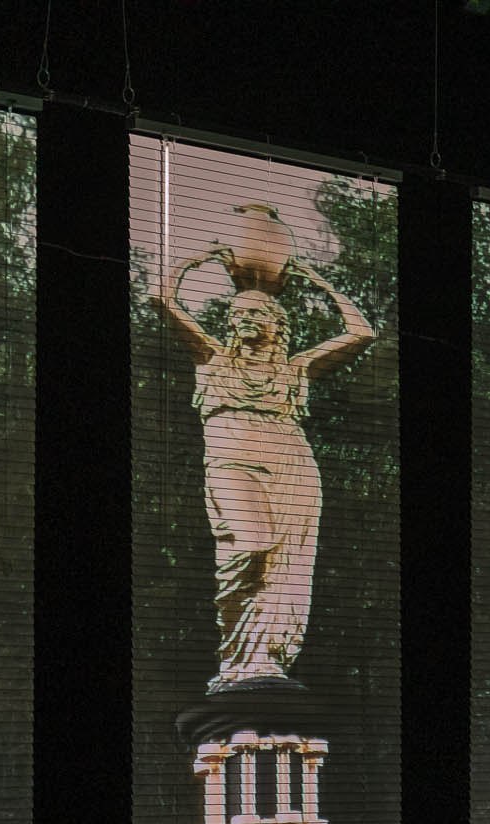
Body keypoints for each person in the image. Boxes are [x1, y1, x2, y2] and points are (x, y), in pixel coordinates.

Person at [153, 245, 376, 691]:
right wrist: (201, 260)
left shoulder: (296, 369)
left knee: (283, 563)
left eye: (257, 312)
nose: (245, 318)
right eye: (238, 312)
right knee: (251, 544)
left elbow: (361, 332)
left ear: (278, 324)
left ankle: (263, 659)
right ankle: (235, 650)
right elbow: (161, 300)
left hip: (289, 458)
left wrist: (318, 281)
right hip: (231, 456)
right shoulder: (212, 357)